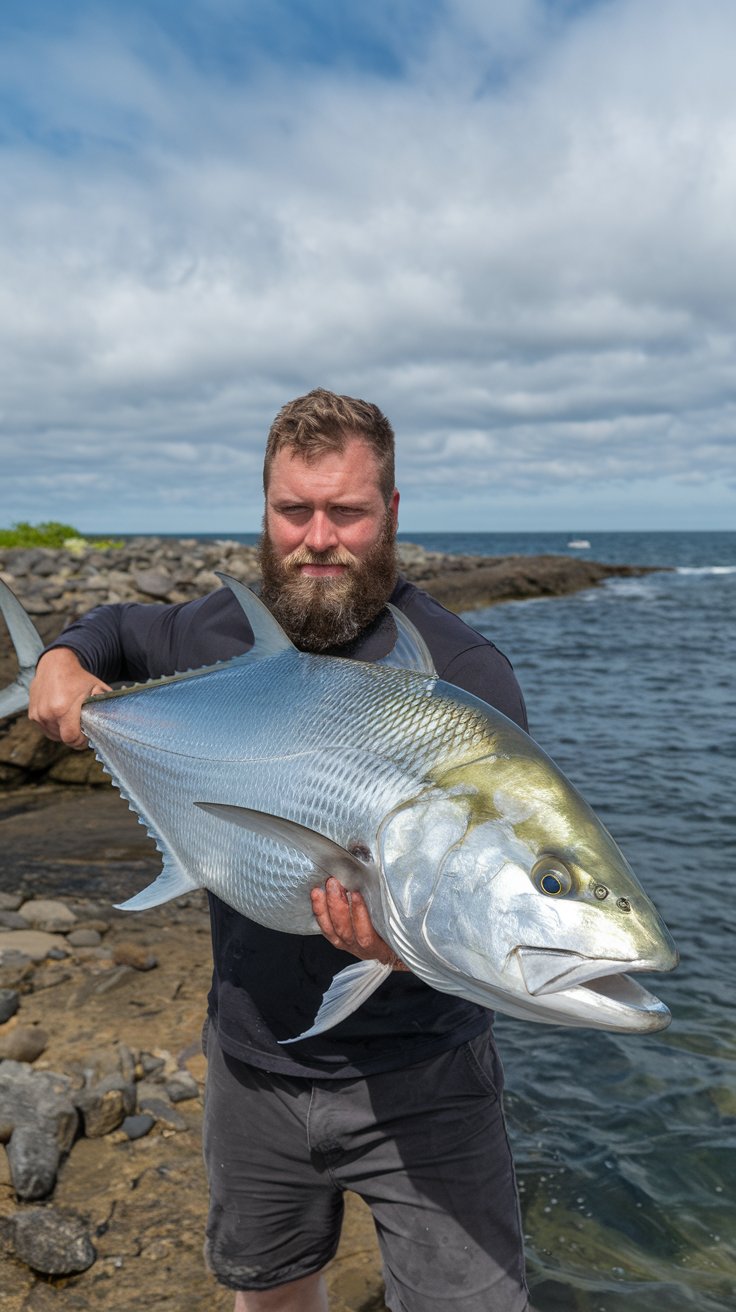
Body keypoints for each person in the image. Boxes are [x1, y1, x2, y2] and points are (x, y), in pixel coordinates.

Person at [29, 389, 532, 1312]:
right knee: (269, 1295)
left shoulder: (462, 678)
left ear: (391, 515)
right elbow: (116, 628)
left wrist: (413, 943)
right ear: (264, 512)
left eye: (347, 511)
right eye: (293, 510)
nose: (318, 538)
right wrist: (63, 655)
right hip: (251, 1064)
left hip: (427, 1081)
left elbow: (493, 889)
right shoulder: (215, 632)